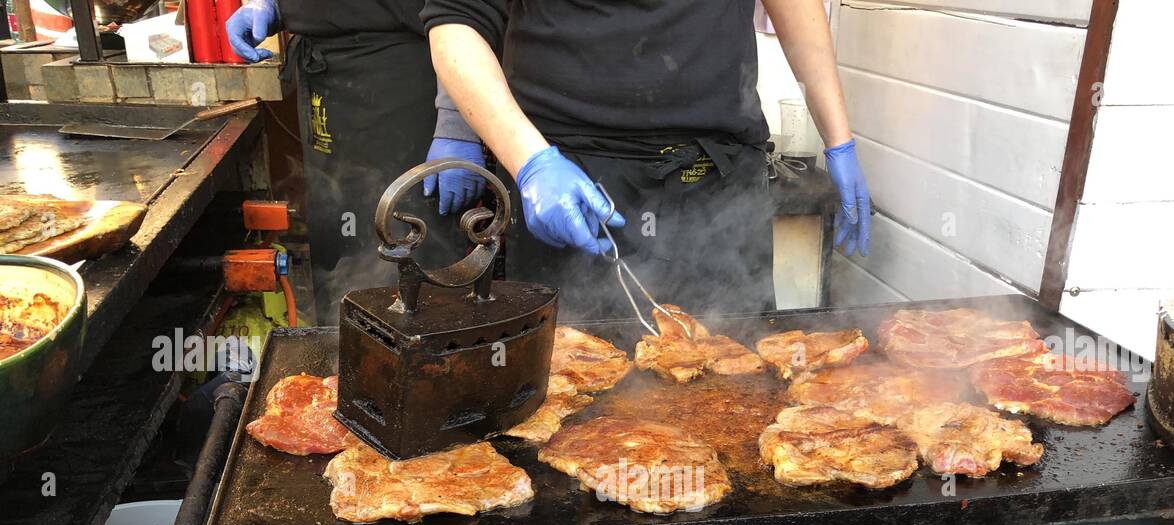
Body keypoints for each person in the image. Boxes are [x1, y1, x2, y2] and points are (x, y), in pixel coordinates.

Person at [420, 0, 871, 320]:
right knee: (571, 394)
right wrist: (529, 160)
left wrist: (839, 138)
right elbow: (457, 24)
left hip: (721, 176)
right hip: (576, 180)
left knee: (737, 380)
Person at [226, 0, 488, 322]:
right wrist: (277, 6)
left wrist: (457, 121)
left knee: (411, 257)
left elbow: (465, 11)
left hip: (402, 82)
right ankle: (343, 357)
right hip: (325, 79)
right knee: (341, 247)